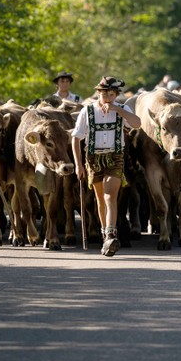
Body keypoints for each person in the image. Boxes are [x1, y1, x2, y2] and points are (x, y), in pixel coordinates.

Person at [71, 76, 142, 257]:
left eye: (111, 95)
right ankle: (105, 237)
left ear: (116, 95)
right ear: (98, 93)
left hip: (115, 156)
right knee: (100, 199)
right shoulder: (87, 111)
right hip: (94, 158)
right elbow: (76, 138)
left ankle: (111, 234)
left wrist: (118, 109)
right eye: (105, 94)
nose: (108, 98)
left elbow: (137, 123)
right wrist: (79, 165)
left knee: (111, 196)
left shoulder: (122, 109)